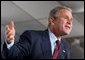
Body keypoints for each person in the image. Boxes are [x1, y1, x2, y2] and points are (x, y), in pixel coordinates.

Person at [2, 6, 73, 59]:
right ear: (52, 21)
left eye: (71, 20)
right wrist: (10, 42)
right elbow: (15, 56)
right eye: (66, 18)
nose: (70, 22)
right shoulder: (32, 37)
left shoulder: (66, 47)